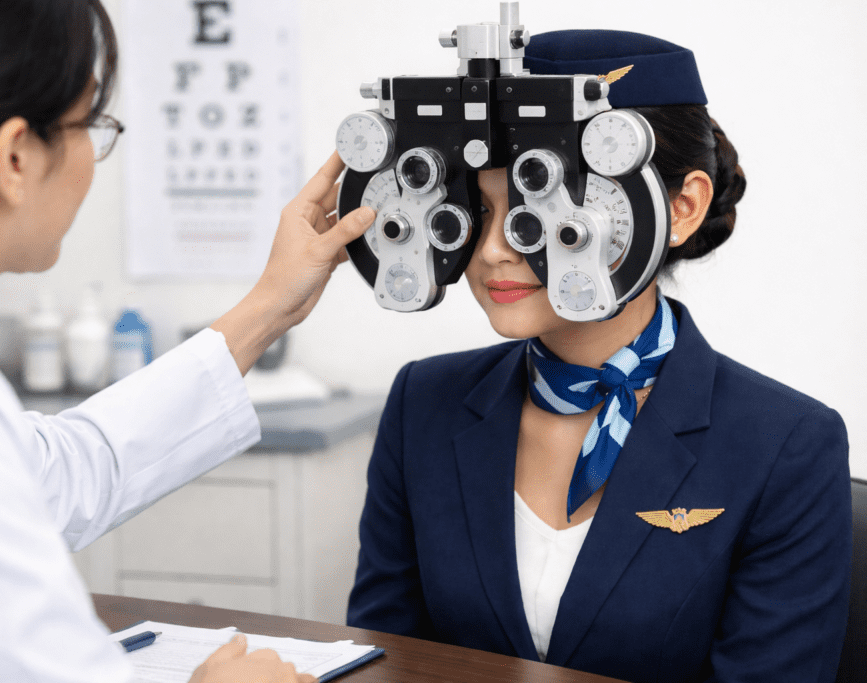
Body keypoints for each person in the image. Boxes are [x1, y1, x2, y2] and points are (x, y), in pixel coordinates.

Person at [0, 1, 375, 681]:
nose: (94, 156)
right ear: (13, 158)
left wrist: (269, 306)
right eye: (90, 124)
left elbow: (57, 470)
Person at [346, 30, 852, 683]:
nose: (493, 250)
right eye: (476, 209)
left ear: (681, 208)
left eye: (536, 213)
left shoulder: (787, 445)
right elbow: (385, 657)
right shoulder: (423, 402)